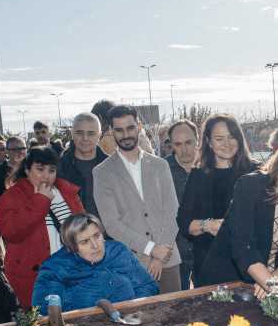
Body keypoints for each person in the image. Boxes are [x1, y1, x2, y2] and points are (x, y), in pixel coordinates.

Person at [195, 129, 278, 295]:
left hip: (273, 280)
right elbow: (244, 248)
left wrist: (271, 280)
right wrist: (272, 287)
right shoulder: (250, 187)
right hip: (227, 282)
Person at [93, 105, 182, 294]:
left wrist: (159, 255)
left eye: (130, 128)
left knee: (175, 312)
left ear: (139, 126)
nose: (126, 135)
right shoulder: (102, 172)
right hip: (131, 265)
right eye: (119, 130)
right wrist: (151, 249)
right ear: (111, 131)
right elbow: (111, 224)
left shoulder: (160, 165)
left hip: (167, 260)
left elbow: (173, 213)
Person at [0, 146, 85, 309]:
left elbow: (84, 229)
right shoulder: (11, 196)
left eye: (51, 170)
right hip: (34, 280)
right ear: (27, 170)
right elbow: (10, 232)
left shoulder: (67, 191)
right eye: (40, 169)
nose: (46, 176)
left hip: (71, 275)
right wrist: (40, 200)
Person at [177, 113, 260, 282]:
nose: (227, 144)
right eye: (219, 138)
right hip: (208, 265)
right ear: (208, 141)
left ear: (239, 138)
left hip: (249, 266)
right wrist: (207, 225)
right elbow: (184, 222)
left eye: (232, 137)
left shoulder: (256, 171)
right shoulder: (198, 174)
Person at [32, 213, 158, 314]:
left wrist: (131, 309)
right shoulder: (55, 267)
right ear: (72, 248)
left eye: (97, 236)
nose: (95, 245)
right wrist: (93, 317)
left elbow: (148, 285)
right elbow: (45, 310)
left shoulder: (119, 251)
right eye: (85, 242)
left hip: (130, 319)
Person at [57, 112, 109, 220]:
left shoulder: (111, 165)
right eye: (80, 133)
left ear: (99, 135)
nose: (85, 138)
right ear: (72, 134)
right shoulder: (58, 167)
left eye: (91, 133)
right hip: (71, 229)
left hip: (107, 230)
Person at [166, 119, 198, 289]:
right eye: (178, 144)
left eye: (189, 143)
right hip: (174, 252)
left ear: (197, 140)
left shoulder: (210, 165)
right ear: (171, 144)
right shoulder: (162, 168)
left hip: (205, 251)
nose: (184, 150)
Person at [0, 136, 27, 202]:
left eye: (23, 148)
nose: (21, 152)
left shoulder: (31, 168)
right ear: (7, 151)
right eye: (17, 149)